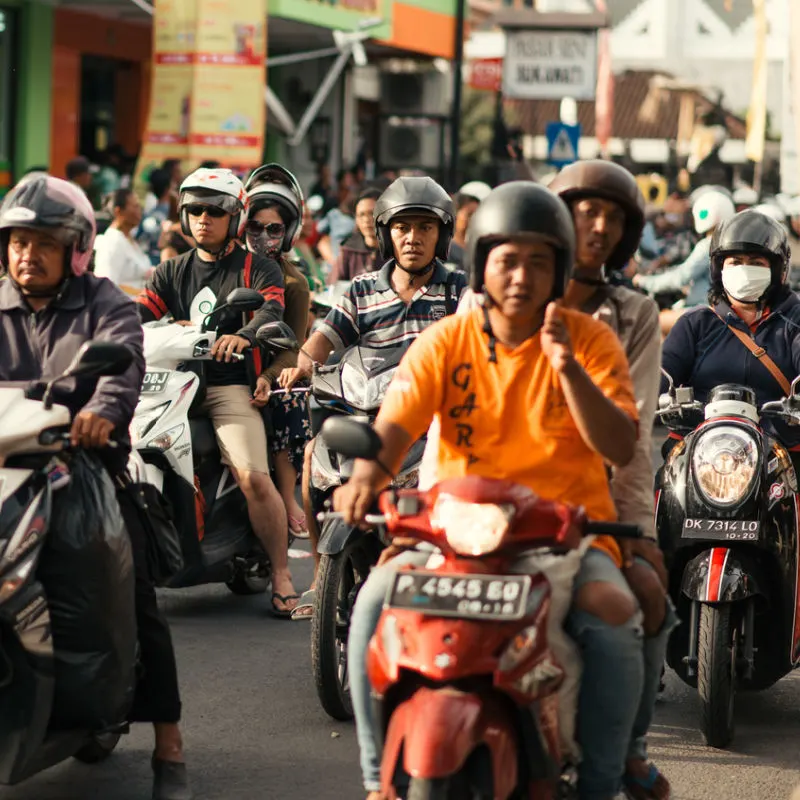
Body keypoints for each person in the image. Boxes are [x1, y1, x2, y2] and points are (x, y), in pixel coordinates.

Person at [335, 181, 646, 800]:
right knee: (371, 606)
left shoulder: (591, 341)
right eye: (507, 259)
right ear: (481, 266)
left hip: (561, 537)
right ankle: (377, 781)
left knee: (615, 620)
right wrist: (366, 477)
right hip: (452, 532)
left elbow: (619, 446)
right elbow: (393, 426)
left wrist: (567, 369)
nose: (522, 276)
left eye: (539, 261)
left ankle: (601, 784)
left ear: (559, 270)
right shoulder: (446, 341)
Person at [0, 174, 192, 800]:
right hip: (5, 479)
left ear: (75, 249)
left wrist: (102, 411)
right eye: (18, 242)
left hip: (85, 475)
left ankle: (170, 749)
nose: (27, 254)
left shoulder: (103, 302)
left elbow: (125, 360)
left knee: (134, 597)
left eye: (43, 243)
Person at [280, 176, 468, 620]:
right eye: (403, 228)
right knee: (312, 456)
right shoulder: (363, 289)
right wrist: (301, 364)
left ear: (441, 235)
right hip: (364, 414)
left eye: (425, 228)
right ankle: (322, 575)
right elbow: (326, 336)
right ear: (385, 234)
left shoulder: (459, 291)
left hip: (430, 423)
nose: (413, 238)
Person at [549, 160, 674, 800]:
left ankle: (624, 754)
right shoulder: (481, 308)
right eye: (584, 210)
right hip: (489, 510)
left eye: (612, 216)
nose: (596, 227)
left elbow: (633, 438)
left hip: (588, 512)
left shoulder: (629, 318)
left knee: (647, 599)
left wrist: (639, 534)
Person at [135, 168, 300, 617]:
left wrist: (244, 337)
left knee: (252, 476)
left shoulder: (256, 266)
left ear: (234, 215)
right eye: (194, 210)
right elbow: (137, 319)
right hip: (170, 383)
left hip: (227, 388)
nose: (203, 218)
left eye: (214, 210)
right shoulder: (170, 271)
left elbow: (271, 308)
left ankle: (283, 573)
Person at [661, 209, 800, 458]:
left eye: (756, 263)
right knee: (668, 489)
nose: (745, 270)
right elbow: (659, 376)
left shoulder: (795, 321)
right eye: (735, 262)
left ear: (778, 270)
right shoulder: (695, 324)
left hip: (779, 455)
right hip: (701, 455)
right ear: (719, 269)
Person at [244, 164, 312, 543]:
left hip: (272, 374)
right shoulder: (227, 270)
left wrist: (268, 377)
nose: (263, 237)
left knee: (290, 396)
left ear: (288, 233)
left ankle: (287, 500)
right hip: (216, 372)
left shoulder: (294, 283)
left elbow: (294, 349)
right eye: (255, 227)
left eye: (274, 229)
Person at [633, 189, 735, 336]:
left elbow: (679, 278)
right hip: (718, 309)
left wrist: (643, 281)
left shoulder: (708, 245)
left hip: (705, 310)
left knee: (650, 322)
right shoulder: (726, 244)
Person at [93, 188, 154, 294]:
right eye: (135, 206)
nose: (139, 210)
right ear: (118, 211)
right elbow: (107, 284)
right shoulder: (112, 242)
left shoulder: (129, 239)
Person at [327, 187, 382, 282]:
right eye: (361, 215)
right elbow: (334, 287)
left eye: (372, 213)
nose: (366, 220)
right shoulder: (348, 250)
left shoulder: (395, 249)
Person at [136, 168, 174, 265]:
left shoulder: (146, 214)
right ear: (168, 188)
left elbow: (139, 238)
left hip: (146, 262)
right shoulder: (173, 215)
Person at [447, 191, 481, 269]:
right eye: (470, 214)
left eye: (477, 214)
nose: (474, 219)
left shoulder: (480, 249)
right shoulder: (446, 250)